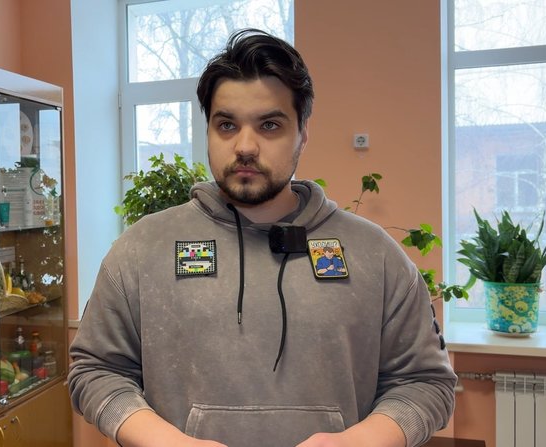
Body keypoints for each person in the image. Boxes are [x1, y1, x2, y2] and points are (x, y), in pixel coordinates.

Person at [68, 28, 456, 447]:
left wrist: (356, 442)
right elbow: (96, 371)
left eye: (269, 125)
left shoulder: (374, 254)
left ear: (302, 133)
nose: (245, 146)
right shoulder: (142, 248)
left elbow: (425, 382)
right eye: (226, 125)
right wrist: (168, 442)